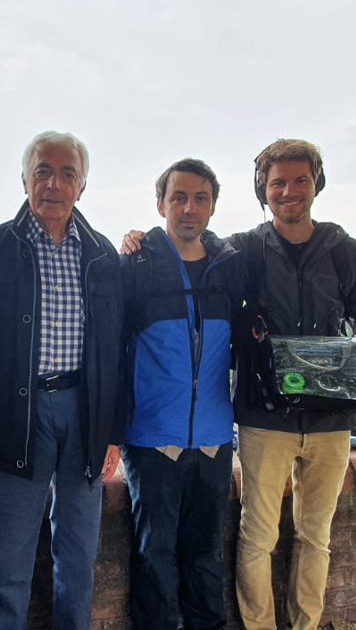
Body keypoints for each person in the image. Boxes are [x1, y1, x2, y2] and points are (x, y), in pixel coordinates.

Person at [122, 139, 356, 630]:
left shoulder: (343, 251)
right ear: (263, 190)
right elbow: (189, 249)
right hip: (263, 416)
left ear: (316, 185)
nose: (289, 192)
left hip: (330, 417)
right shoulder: (243, 252)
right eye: (278, 183)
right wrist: (141, 239)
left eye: (300, 181)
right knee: (257, 535)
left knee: (316, 536)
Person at [0, 130, 124, 630]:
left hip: (84, 413)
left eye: (67, 173)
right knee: (7, 557)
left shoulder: (101, 255)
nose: (54, 183)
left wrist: (112, 432)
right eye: (43, 171)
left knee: (78, 553)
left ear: (82, 186)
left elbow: (115, 351)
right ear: (24, 179)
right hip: (16, 414)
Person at [120, 158, 244, 629]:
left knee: (207, 554)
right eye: (178, 197)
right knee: (154, 553)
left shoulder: (228, 268)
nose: (189, 208)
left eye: (200, 198)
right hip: (152, 439)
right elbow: (111, 349)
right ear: (161, 204)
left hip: (214, 438)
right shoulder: (136, 265)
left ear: (212, 207)